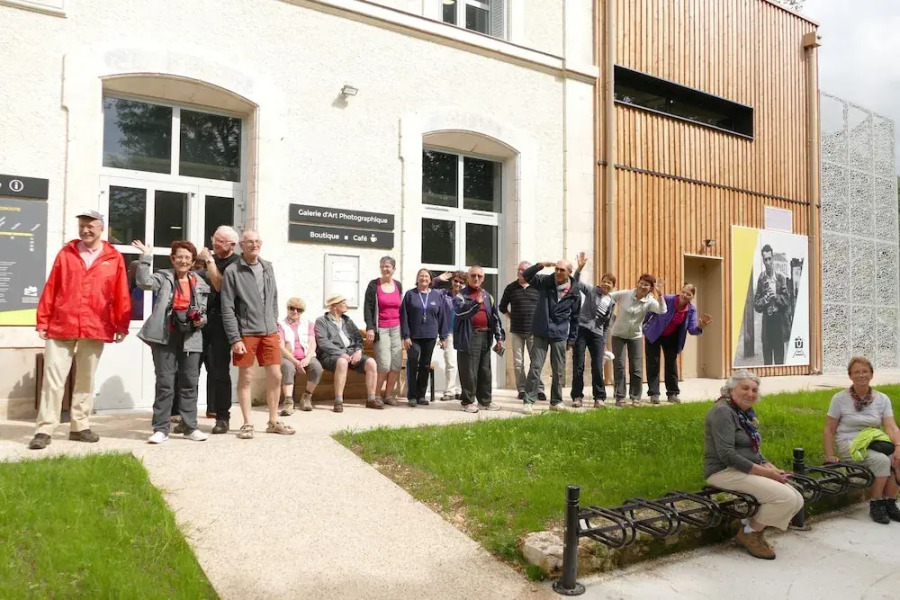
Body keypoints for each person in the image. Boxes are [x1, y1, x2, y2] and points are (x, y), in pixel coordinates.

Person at [28, 209, 131, 450]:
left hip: (96, 325)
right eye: (82, 225)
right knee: (53, 380)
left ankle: (80, 426)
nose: (85, 230)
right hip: (62, 323)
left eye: (90, 226)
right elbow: (52, 287)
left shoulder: (113, 257)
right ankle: (44, 429)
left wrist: (121, 324)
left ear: (101, 229)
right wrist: (43, 320)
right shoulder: (66, 253)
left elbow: (120, 293)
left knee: (86, 379)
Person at [704, 371, 804, 560]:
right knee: (786, 499)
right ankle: (749, 533)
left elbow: (753, 450)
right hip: (722, 471)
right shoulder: (722, 411)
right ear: (731, 389)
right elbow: (728, 455)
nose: (750, 393)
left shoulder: (744, 413)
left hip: (742, 468)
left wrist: (771, 467)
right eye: (745, 388)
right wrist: (766, 474)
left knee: (797, 499)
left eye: (754, 390)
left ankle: (745, 524)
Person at [132, 240, 210, 444]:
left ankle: (190, 426)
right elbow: (143, 282)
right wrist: (146, 257)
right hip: (165, 335)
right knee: (165, 383)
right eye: (180, 256)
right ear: (173, 258)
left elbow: (203, 313)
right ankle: (160, 428)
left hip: (191, 336)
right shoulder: (163, 277)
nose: (183, 261)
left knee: (190, 383)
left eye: (187, 257)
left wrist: (200, 319)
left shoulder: (200, 283)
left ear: (193, 261)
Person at [221, 230, 294, 439]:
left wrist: (273, 322)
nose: (254, 245)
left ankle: (272, 420)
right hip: (246, 332)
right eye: (249, 242)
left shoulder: (267, 266)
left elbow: (274, 298)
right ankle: (247, 423)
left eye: (257, 241)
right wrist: (235, 338)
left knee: (276, 375)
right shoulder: (233, 271)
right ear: (241, 245)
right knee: (246, 377)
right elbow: (227, 307)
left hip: (269, 331)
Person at [823, 356, 900, 524]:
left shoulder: (882, 399)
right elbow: (829, 429)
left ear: (871, 374)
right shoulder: (839, 399)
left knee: (896, 458)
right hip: (849, 443)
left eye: (865, 371)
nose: (861, 375)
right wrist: (829, 455)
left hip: (874, 441)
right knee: (881, 460)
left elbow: (891, 427)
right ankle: (876, 503)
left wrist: (898, 447)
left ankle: (890, 502)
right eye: (856, 372)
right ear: (850, 376)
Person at [521, 260, 581, 413]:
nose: (558, 272)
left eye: (562, 270)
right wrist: (540, 265)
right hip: (541, 331)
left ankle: (556, 402)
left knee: (558, 370)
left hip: (560, 334)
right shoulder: (545, 282)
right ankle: (528, 401)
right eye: (556, 269)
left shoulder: (574, 292)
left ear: (569, 272)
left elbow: (575, 318)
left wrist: (572, 339)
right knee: (535, 367)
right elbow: (526, 275)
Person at [198, 226, 241, 434]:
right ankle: (185, 415)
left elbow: (219, 285)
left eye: (219, 241)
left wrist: (209, 261)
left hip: (220, 324)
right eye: (213, 239)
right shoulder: (206, 259)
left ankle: (222, 417)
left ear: (232, 245)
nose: (214, 243)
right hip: (198, 322)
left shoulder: (236, 263)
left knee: (219, 371)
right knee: (190, 369)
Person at [642, 284, 712, 404]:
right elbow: (650, 311)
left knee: (671, 364)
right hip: (654, 333)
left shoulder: (691, 310)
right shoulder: (668, 299)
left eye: (689, 294)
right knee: (653, 363)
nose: (685, 295)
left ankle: (672, 394)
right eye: (684, 292)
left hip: (672, 337)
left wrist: (701, 326)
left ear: (692, 297)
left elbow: (692, 330)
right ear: (680, 291)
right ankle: (654, 394)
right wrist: (643, 326)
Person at [608, 274, 666, 407]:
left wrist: (660, 294)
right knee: (620, 366)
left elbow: (662, 310)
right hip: (618, 334)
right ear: (638, 282)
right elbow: (607, 298)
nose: (643, 286)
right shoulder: (625, 294)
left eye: (647, 285)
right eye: (641, 283)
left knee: (636, 368)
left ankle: (635, 397)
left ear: (651, 288)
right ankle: (620, 397)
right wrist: (611, 316)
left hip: (635, 336)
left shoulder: (650, 301)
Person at [315, 294, 380, 412]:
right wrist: (341, 353)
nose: (347, 305)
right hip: (331, 356)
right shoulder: (322, 321)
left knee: (371, 363)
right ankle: (338, 401)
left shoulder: (347, 320)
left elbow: (358, 338)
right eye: (343, 303)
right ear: (335, 306)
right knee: (342, 362)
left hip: (351, 353)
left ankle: (371, 399)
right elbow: (323, 343)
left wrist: (359, 351)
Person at [453, 265, 505, 413]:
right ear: (468, 277)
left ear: (483, 278)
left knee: (485, 371)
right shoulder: (460, 295)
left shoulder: (488, 296)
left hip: (486, 336)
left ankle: (485, 401)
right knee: (469, 371)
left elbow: (495, 318)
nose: (476, 278)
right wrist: (476, 303)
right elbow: (460, 313)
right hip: (469, 336)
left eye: (479, 276)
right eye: (473, 275)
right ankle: (467, 402)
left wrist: (499, 337)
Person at [571, 253, 616, 408]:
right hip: (582, 330)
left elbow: (607, 325)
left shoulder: (611, 301)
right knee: (579, 364)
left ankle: (599, 398)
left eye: (609, 283)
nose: (606, 284)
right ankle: (577, 396)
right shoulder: (591, 291)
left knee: (597, 366)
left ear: (612, 286)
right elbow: (576, 283)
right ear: (600, 282)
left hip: (597, 335)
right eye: (604, 281)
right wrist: (579, 269)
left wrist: (603, 342)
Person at [400, 269, 449, 406]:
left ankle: (421, 395)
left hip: (430, 335)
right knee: (413, 362)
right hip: (413, 337)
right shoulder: (410, 294)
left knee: (425, 365)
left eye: (426, 276)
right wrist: (406, 335)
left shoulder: (436, 295)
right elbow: (404, 316)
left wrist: (443, 336)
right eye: (421, 276)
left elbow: (442, 316)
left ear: (430, 279)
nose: (424, 278)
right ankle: (412, 396)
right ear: (417, 278)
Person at [498, 262, 545, 401]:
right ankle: (522, 389)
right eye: (520, 269)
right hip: (517, 331)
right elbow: (502, 307)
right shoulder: (511, 288)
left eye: (525, 270)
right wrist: (511, 317)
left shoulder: (538, 287)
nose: (522, 272)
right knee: (518, 363)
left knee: (535, 362)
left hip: (534, 331)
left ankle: (539, 389)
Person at [363, 256, 403, 406]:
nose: (385, 269)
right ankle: (375, 395)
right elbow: (368, 308)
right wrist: (370, 328)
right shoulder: (374, 285)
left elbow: (401, 308)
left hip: (397, 329)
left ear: (394, 269)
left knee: (396, 364)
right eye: (383, 266)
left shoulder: (398, 285)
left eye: (388, 266)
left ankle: (389, 395)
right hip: (381, 329)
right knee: (384, 364)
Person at [277, 297, 323, 415]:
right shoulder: (280, 325)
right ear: (287, 309)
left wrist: (307, 358)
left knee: (317, 368)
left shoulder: (308, 324)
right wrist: (296, 362)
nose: (295, 311)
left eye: (299, 309)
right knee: (288, 367)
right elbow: (281, 347)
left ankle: (307, 397)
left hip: (306, 356)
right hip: (288, 357)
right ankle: (288, 402)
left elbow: (312, 343)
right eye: (292, 308)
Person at [753, 244, 790, 365]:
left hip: (778, 321)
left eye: (769, 258)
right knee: (767, 362)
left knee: (779, 361)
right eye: (765, 259)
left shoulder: (780, 278)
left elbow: (787, 300)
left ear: (772, 258)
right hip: (767, 322)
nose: (768, 262)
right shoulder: (761, 278)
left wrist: (776, 296)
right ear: (763, 260)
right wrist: (765, 299)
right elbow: (756, 305)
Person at [435, 270, 467, 400]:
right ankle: (449, 391)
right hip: (448, 333)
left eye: (461, 282)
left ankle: (460, 390)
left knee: (462, 364)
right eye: (456, 281)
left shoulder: (466, 296)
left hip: (463, 334)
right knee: (451, 363)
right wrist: (437, 279)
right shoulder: (443, 294)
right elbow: (426, 288)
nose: (458, 284)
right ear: (452, 281)